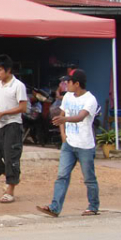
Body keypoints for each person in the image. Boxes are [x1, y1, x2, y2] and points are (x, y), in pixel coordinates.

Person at [37, 69, 100, 217]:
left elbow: (80, 117)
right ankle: (55, 207)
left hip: (85, 145)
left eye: (69, 82)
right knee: (62, 176)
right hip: (69, 144)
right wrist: (63, 134)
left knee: (89, 178)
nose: (66, 84)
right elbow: (61, 115)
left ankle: (93, 206)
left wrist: (64, 121)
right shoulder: (67, 97)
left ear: (77, 84)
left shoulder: (90, 99)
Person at [0, 54, 28, 203]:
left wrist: (3, 113)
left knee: (11, 157)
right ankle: (11, 177)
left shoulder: (18, 86)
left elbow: (23, 107)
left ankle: (10, 190)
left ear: (8, 70)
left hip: (13, 125)